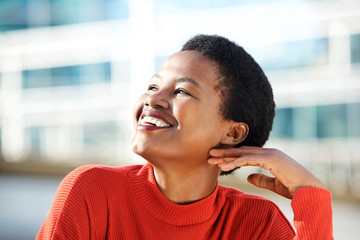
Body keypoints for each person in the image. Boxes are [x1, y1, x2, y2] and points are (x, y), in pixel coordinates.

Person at [37, 34, 333, 239]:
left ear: (232, 133)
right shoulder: (92, 191)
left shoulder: (257, 224)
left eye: (181, 91)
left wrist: (311, 193)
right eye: (154, 86)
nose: (153, 100)